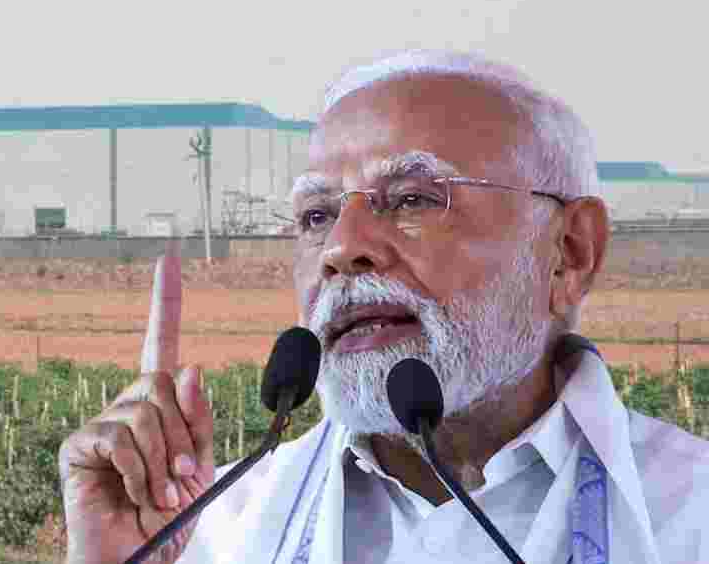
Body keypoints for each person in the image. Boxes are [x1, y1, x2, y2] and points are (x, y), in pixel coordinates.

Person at [58, 49, 709, 563]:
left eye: (412, 199)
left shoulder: (690, 516)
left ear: (568, 252)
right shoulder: (212, 530)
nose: (342, 248)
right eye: (317, 215)